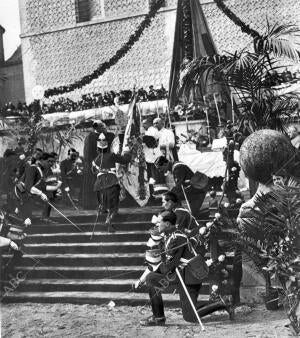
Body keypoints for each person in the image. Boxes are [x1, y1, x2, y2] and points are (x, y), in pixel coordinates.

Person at [138, 210, 232, 326]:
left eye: (159, 222)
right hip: (182, 274)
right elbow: (168, 264)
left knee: (190, 317)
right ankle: (159, 317)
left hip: (190, 277)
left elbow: (168, 267)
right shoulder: (170, 236)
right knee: (151, 278)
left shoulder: (177, 238)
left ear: (167, 224)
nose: (157, 225)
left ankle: (222, 303)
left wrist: (159, 267)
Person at [92, 133, 131, 232]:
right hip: (111, 182)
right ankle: (109, 221)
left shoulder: (95, 160)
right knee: (113, 205)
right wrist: (126, 151)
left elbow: (93, 171)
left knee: (105, 204)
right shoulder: (112, 155)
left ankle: (107, 215)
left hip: (99, 184)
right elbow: (126, 160)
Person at [15, 152, 55, 222]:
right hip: (20, 190)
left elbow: (41, 185)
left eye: (52, 162)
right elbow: (28, 186)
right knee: (25, 218)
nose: (50, 164)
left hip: (27, 193)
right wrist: (41, 194)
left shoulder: (41, 169)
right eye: (48, 161)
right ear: (42, 160)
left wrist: (54, 188)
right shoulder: (33, 168)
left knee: (26, 218)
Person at [82, 121, 107, 209]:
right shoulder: (90, 137)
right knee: (93, 184)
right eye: (103, 127)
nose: (104, 129)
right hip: (92, 165)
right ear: (98, 127)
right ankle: (91, 204)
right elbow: (87, 153)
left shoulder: (101, 136)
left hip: (99, 164)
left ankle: (100, 204)